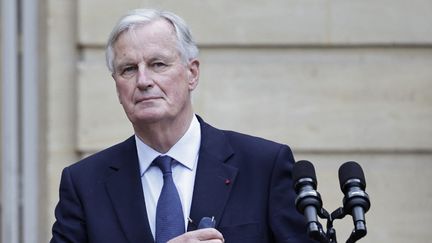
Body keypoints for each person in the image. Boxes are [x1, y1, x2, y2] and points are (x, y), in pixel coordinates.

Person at [50, 8, 315, 243]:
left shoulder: (263, 166)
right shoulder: (84, 184)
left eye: (158, 64)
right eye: (128, 69)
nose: (143, 80)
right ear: (117, 86)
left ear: (192, 73)